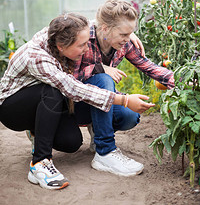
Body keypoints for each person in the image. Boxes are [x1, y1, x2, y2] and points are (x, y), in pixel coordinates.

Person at [0, 13, 155, 190]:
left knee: (70, 142)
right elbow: (72, 88)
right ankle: (40, 163)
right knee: (52, 91)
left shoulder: (59, 33)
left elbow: (89, 24)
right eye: (81, 45)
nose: (86, 49)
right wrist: (125, 100)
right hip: (13, 108)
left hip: (50, 101)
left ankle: (38, 129)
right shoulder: (37, 57)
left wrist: (123, 32)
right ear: (61, 46)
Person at [73, 0, 174, 177]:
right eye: (123, 34)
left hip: (97, 103)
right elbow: (68, 78)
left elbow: (149, 67)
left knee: (130, 116)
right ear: (104, 28)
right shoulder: (82, 38)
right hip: (73, 105)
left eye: (130, 34)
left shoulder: (122, 44)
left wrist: (182, 80)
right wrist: (100, 68)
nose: (128, 40)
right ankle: (105, 152)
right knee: (103, 79)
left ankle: (98, 135)